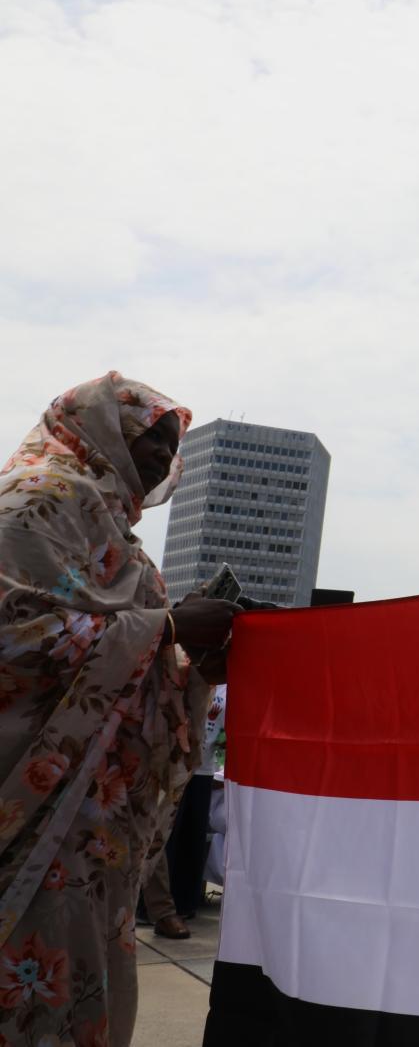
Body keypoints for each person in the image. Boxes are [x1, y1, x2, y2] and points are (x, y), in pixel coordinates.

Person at [0, 372, 242, 1046]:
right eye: (151, 437)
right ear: (97, 430)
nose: (165, 456)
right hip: (33, 811)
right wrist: (165, 629)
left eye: (172, 443)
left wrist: (193, 672)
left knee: (79, 976)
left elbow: (132, 660)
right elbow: (14, 634)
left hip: (87, 826)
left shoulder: (117, 537)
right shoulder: (36, 498)